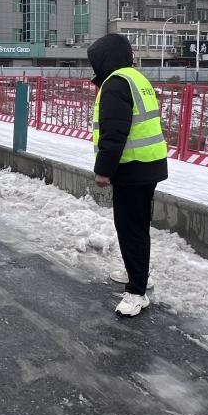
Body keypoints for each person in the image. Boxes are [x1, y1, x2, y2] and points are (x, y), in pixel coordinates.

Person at [88, 33, 169, 317]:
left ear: (105, 59)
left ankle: (137, 292)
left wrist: (103, 170)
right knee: (138, 226)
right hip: (149, 163)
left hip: (133, 167)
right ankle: (137, 272)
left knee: (130, 228)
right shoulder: (137, 79)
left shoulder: (115, 84)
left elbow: (114, 133)